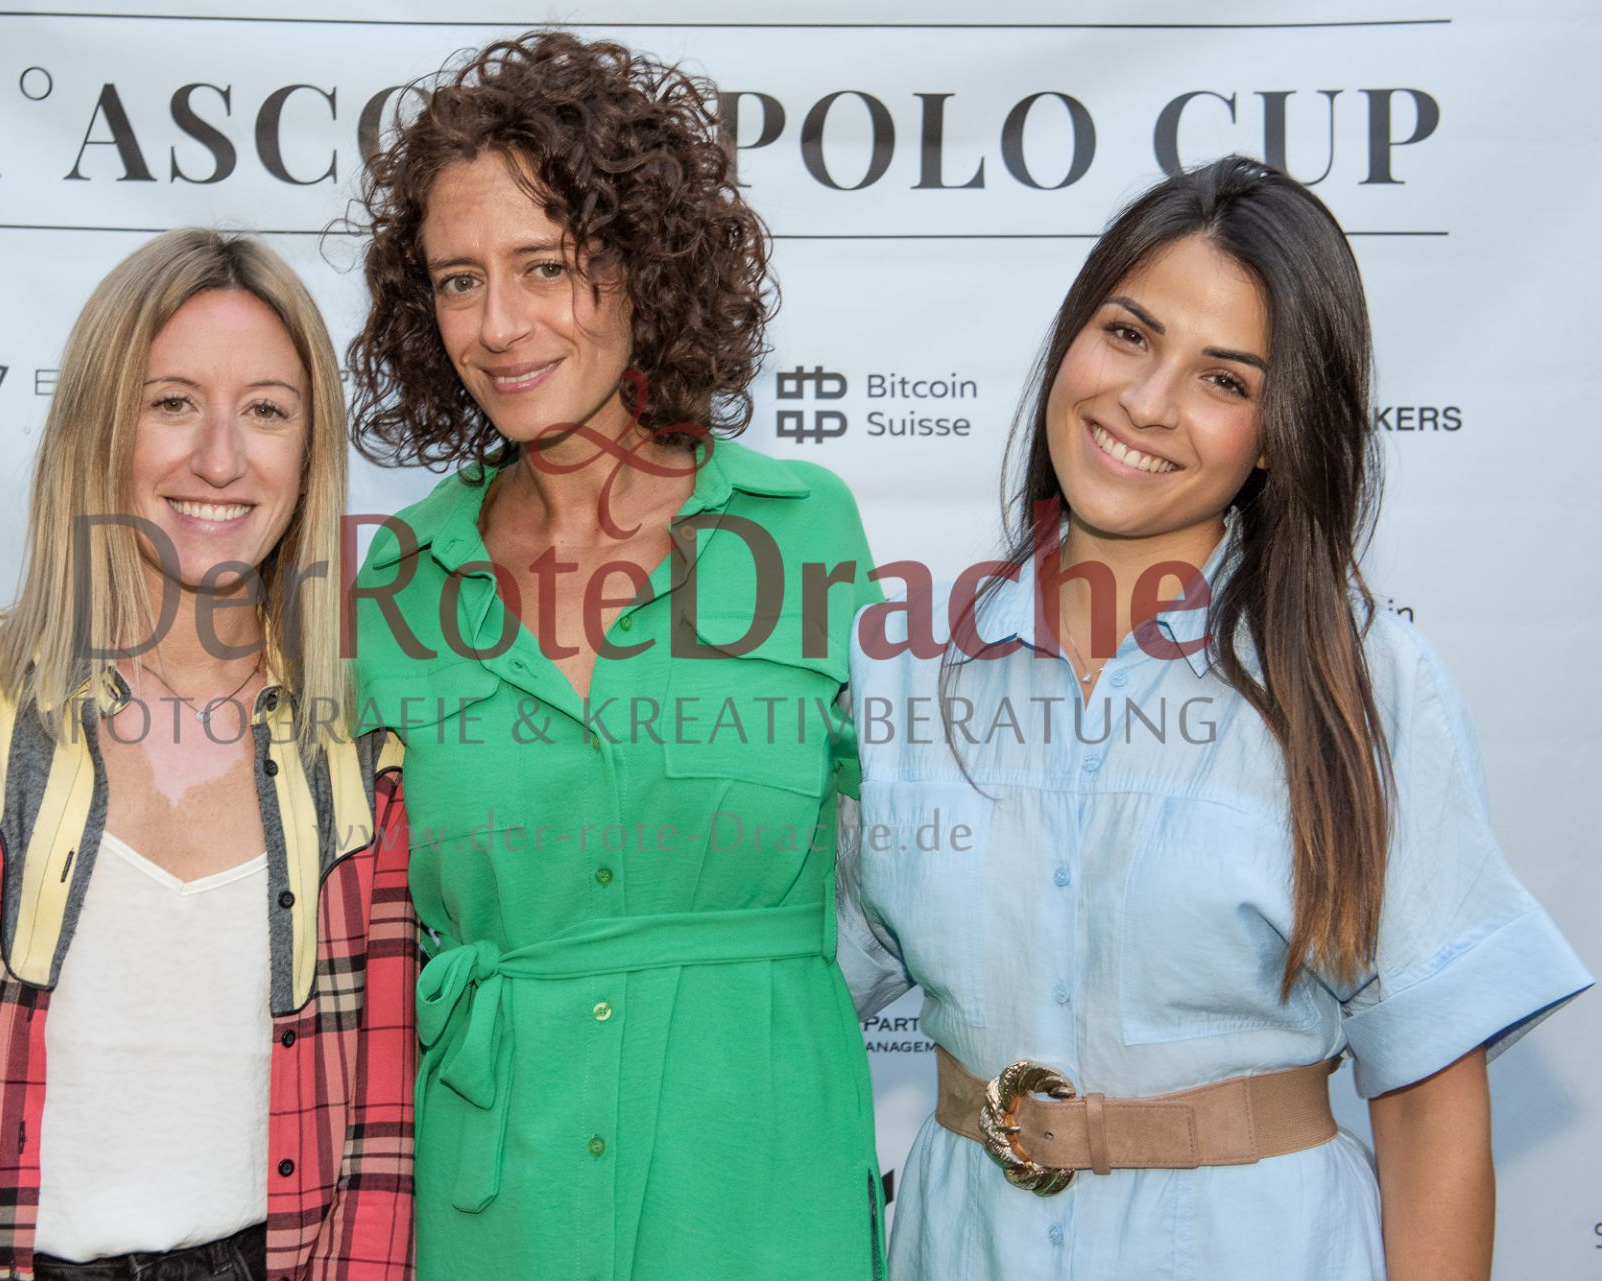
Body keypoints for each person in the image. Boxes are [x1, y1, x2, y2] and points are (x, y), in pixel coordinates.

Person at [837, 155, 1592, 1281]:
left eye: (1225, 381)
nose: (1146, 404)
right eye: (1128, 334)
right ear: (1071, 338)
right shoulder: (900, 668)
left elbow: (1432, 1106)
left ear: (1280, 432)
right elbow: (780, 990)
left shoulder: (1362, 684)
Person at [347, 31, 886, 1281]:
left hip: (761, 1207)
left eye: (546, 266)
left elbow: (918, 890)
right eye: (459, 281)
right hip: (498, 1216)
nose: (500, 326)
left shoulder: (805, 530)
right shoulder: (396, 583)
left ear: (647, 264)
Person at [0, 229, 417, 1281]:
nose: (219, 458)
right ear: (97, 422)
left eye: (267, 410)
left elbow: (380, 1145)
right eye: (171, 402)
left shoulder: (365, 733)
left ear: (310, 454)